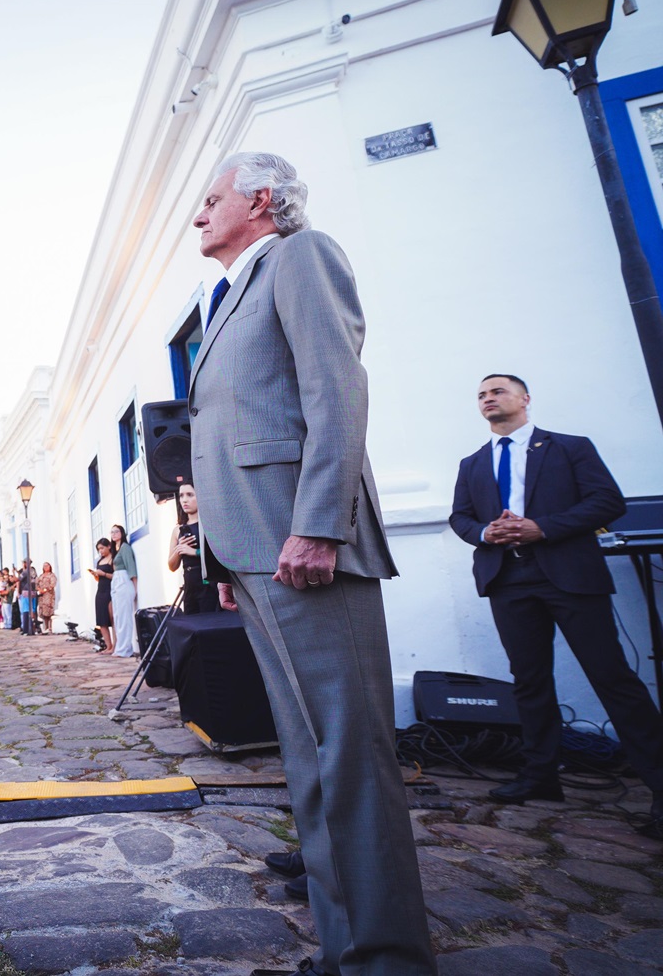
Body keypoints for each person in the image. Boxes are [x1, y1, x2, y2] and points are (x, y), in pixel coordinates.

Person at [189, 152, 433, 976]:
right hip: (257, 549)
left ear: (261, 200)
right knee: (307, 758)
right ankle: (346, 947)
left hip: (305, 545)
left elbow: (337, 390)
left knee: (349, 756)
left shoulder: (301, 255)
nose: (199, 215)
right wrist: (224, 551)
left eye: (212, 199)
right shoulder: (230, 294)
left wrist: (320, 524)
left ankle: (388, 958)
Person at [450, 374, 663, 838]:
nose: (488, 398)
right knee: (529, 681)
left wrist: (540, 528)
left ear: (524, 399)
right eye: (481, 395)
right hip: (507, 579)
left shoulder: (569, 447)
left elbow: (608, 502)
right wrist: (488, 533)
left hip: (568, 574)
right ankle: (541, 775)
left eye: (497, 391)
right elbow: (460, 518)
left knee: (613, 679)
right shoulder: (472, 464)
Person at [167, 484, 222, 615]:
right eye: (181, 495)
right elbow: (172, 566)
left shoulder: (209, 523)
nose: (184, 500)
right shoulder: (177, 530)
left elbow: (220, 553)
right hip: (190, 585)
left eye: (190, 495)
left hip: (208, 583)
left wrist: (195, 552)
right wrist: (179, 549)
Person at [108, 525, 138, 658]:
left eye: (116, 531)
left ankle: (125, 649)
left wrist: (135, 587)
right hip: (116, 581)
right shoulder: (115, 549)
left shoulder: (125, 548)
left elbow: (131, 567)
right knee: (118, 616)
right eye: (112, 532)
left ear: (122, 533)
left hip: (124, 580)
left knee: (124, 617)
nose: (114, 534)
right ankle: (121, 647)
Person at [88, 538, 115, 653]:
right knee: (102, 620)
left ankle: (115, 645)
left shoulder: (113, 559)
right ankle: (108, 645)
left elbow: (116, 575)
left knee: (112, 618)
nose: (101, 551)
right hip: (101, 590)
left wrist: (104, 573)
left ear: (109, 546)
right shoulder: (100, 561)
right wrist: (96, 575)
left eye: (102, 548)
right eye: (99, 549)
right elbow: (99, 579)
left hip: (110, 589)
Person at [15, 558, 38, 636]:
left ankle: (26, 629)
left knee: (26, 611)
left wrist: (14, 575)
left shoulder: (25, 572)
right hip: (33, 592)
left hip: (26, 592)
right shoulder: (34, 571)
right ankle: (33, 628)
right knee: (33, 610)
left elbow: (18, 579)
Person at [35, 562, 57, 634]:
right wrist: (39, 590)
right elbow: (36, 584)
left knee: (49, 611)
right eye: (44, 566)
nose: (45, 567)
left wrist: (45, 590)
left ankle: (50, 628)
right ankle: (45, 627)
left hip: (48, 595)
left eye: (47, 566)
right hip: (41, 596)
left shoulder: (52, 575)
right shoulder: (41, 576)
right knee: (42, 612)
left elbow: (52, 584)